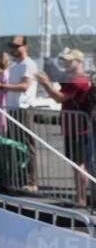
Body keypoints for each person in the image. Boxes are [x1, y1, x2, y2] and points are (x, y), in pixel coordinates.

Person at [36, 48, 92, 207]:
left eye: (69, 61)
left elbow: (59, 98)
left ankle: (81, 199)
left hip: (77, 128)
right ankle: (81, 197)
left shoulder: (77, 81)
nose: (66, 64)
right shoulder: (79, 79)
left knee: (79, 165)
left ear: (79, 62)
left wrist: (46, 83)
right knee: (79, 164)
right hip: (76, 127)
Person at [0, 36, 39, 191]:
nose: (14, 49)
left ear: (25, 46)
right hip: (12, 109)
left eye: (17, 46)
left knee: (26, 144)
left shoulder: (28, 64)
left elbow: (25, 86)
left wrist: (2, 86)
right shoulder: (14, 65)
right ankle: (20, 178)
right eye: (12, 46)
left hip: (23, 108)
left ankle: (32, 181)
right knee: (16, 144)